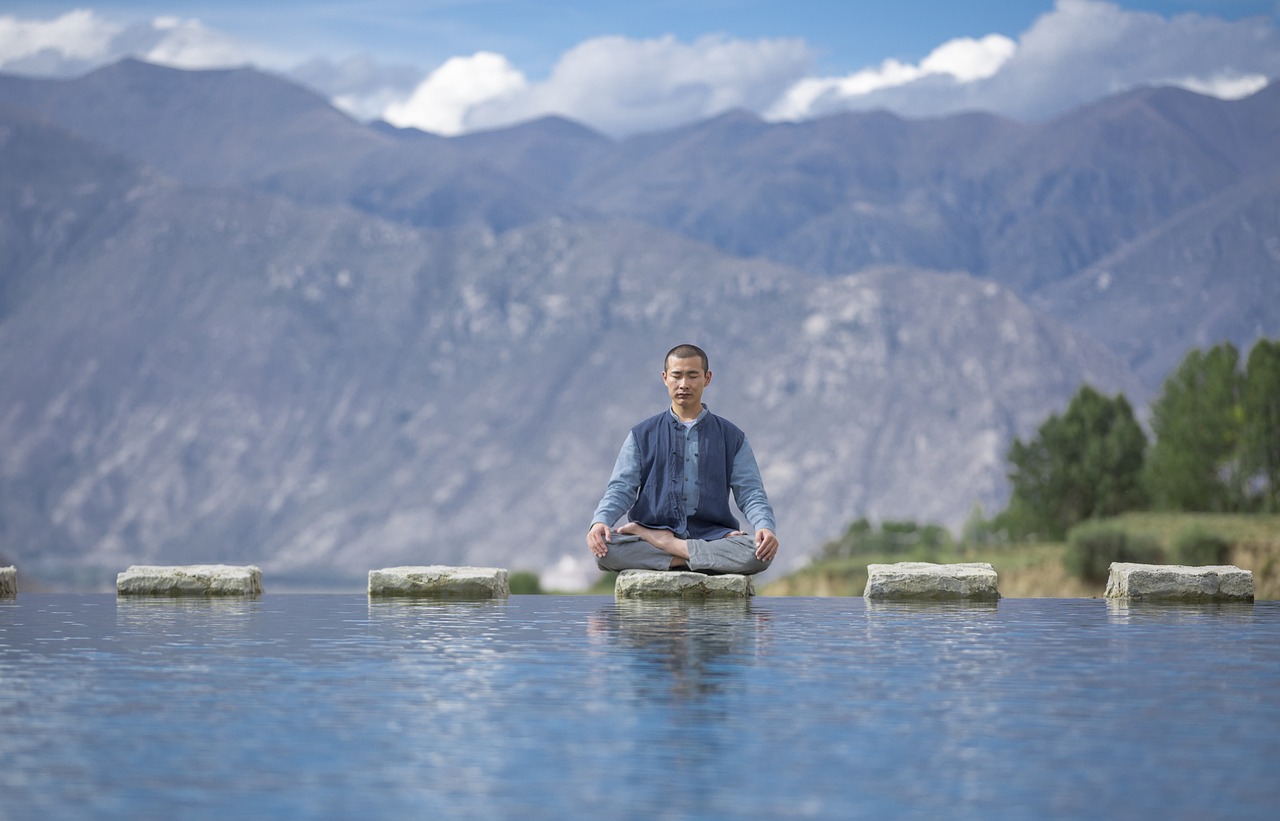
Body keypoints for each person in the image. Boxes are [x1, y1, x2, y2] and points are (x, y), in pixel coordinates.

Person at [587, 343, 778, 575]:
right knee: (605, 551)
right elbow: (621, 488)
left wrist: (765, 527)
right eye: (677, 376)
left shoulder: (732, 437)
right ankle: (693, 556)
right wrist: (600, 521)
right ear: (665, 378)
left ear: (707, 378)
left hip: (712, 535)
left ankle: (667, 546)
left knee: (757, 554)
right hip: (656, 529)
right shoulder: (641, 434)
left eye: (693, 375)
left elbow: (750, 493)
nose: (684, 384)